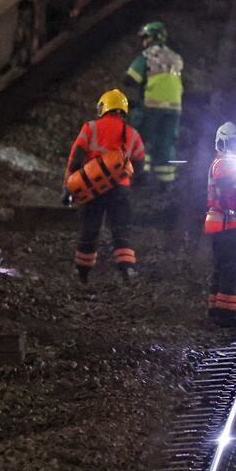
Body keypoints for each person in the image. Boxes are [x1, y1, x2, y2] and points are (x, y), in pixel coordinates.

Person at [63, 89, 147, 284]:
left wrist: (67, 187)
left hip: (91, 189)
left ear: (103, 107)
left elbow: (75, 159)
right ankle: (126, 271)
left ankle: (82, 273)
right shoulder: (132, 134)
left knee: (89, 229)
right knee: (121, 229)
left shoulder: (90, 128)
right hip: (119, 190)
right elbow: (140, 163)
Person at [124, 21, 184, 184]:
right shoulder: (176, 57)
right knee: (166, 142)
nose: (144, 42)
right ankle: (166, 181)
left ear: (152, 38)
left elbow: (131, 78)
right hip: (174, 108)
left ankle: (140, 175)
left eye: (146, 38)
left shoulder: (148, 55)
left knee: (141, 138)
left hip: (153, 105)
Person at [204, 122, 236, 324]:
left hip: (227, 223)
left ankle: (216, 309)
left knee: (222, 266)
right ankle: (226, 314)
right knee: (231, 268)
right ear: (224, 143)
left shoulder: (232, 162)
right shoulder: (222, 163)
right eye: (235, 143)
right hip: (227, 223)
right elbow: (226, 180)